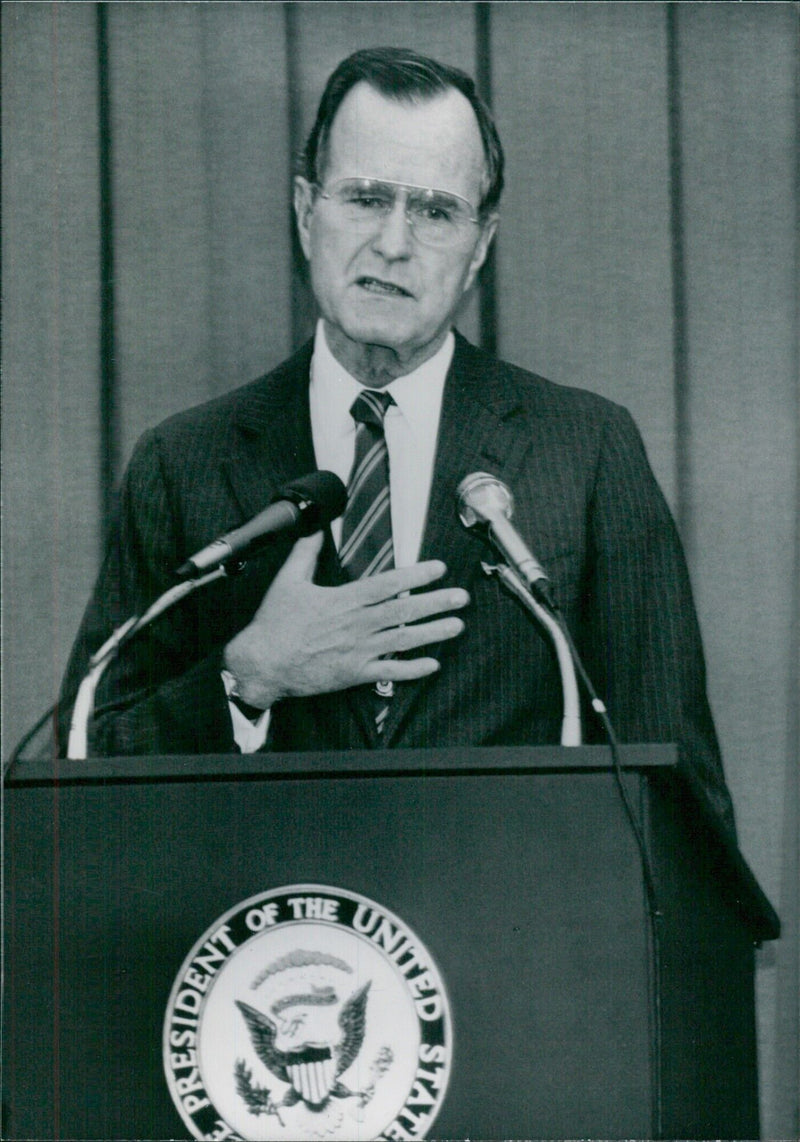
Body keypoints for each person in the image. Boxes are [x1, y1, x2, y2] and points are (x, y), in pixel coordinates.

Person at [57, 47, 735, 833]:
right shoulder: (185, 462)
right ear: (307, 212)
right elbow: (84, 764)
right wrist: (248, 678)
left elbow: (678, 787)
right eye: (367, 198)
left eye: (437, 212)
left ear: (480, 245)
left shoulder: (585, 450)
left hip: (512, 936)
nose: (394, 243)